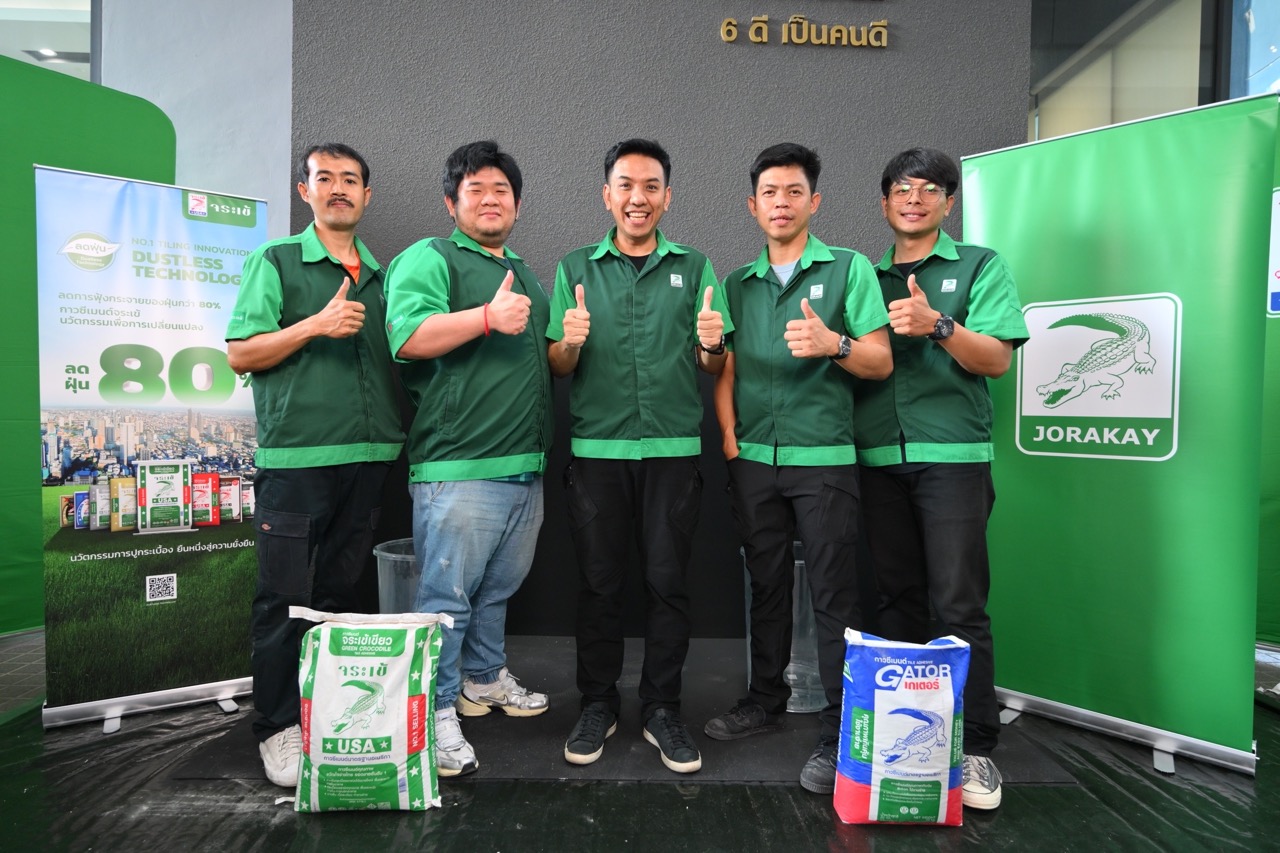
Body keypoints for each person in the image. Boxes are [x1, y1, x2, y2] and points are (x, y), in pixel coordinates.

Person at [706, 143, 891, 794]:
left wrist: (834, 343)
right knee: (766, 585)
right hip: (754, 460)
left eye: (793, 192)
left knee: (835, 595)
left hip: (824, 461)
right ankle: (764, 699)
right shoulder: (737, 282)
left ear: (814, 201)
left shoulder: (849, 269)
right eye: (769, 193)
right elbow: (723, 368)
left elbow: (879, 360)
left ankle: (840, 728)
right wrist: (730, 439)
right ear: (751, 205)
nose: (780, 203)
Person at [547, 139, 732, 774]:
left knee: (667, 585)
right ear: (607, 195)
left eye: (651, 186)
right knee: (599, 586)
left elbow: (713, 364)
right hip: (597, 453)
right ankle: (597, 703)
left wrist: (713, 346)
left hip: (673, 453)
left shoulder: (696, 267)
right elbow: (558, 365)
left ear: (667, 197)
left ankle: (661, 709)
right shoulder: (575, 267)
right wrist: (569, 342)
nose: (638, 198)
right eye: (625, 185)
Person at [853, 147, 1029, 810]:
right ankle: (907, 744)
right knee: (896, 599)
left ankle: (976, 745)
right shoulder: (863, 275)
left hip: (953, 456)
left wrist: (939, 325)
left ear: (948, 202)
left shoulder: (979, 264)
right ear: (884, 202)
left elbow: (997, 359)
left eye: (929, 189)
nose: (914, 198)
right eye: (902, 188)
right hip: (877, 458)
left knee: (958, 603)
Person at [226, 142, 405, 788]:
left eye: (350, 180)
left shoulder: (384, 276)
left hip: (370, 459)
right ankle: (277, 727)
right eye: (324, 178)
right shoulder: (275, 261)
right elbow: (240, 353)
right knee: (283, 599)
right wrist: (314, 325)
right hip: (297, 462)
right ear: (305, 191)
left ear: (367, 195)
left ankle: (325, 716)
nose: (338, 188)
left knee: (342, 599)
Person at [383, 140, 552, 778]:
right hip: (459, 465)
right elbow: (406, 336)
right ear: (450, 203)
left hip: (523, 466)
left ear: (517, 204)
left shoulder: (526, 273)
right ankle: (435, 713)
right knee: (446, 598)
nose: (489, 199)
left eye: (501, 190)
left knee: (495, 590)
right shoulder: (431, 257)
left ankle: (482, 679)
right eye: (475, 189)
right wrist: (485, 316)